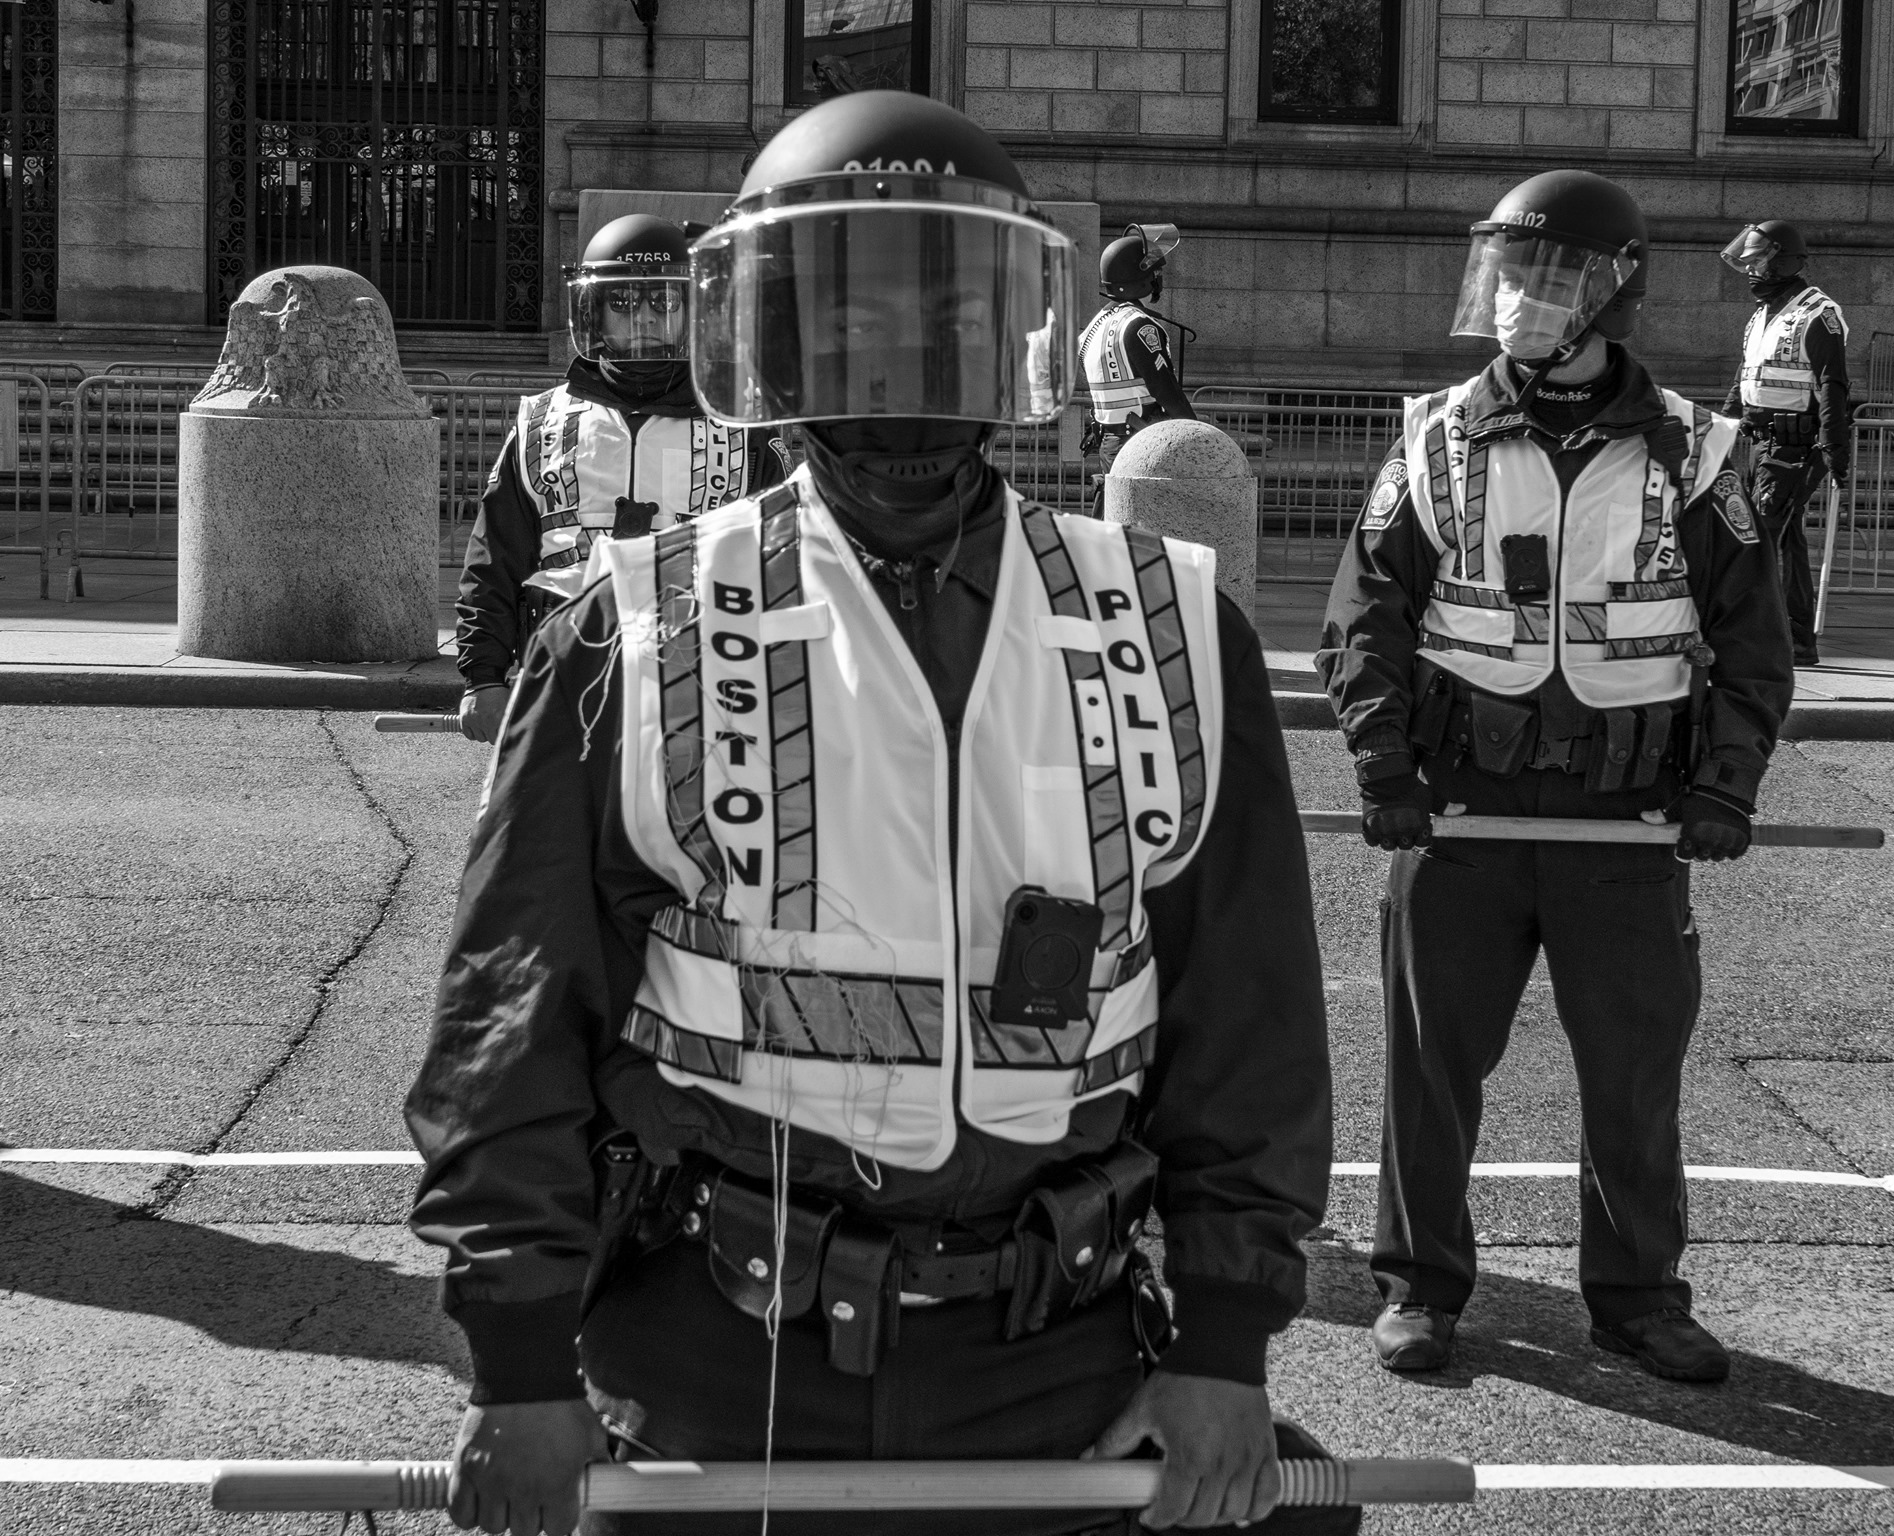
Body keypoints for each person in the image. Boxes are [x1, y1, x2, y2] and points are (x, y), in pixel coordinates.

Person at [407, 90, 1354, 1536]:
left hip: (1062, 1348)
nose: (898, 357)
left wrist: (1228, 1344)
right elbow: (512, 1014)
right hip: (717, 1344)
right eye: (846, 310)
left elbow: (1251, 1020)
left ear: (1009, 334)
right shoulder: (634, 624)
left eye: (941, 311)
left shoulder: (1170, 624)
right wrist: (518, 1366)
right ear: (771, 336)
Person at [1316, 170, 1793, 1387]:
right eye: (1508, 274)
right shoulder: (1429, 435)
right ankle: (1419, 1287)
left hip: (1625, 819)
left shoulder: (1700, 450)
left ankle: (1635, 1299)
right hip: (1459, 807)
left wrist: (1723, 790)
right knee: (1427, 1067)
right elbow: (1363, 617)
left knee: (1631, 1072)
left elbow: (1752, 641)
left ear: (1612, 290)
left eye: (1549, 277)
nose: (1519, 300)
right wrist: (1381, 766)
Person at [453, 214, 787, 742]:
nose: (644, 320)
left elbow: (786, 565)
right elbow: (493, 557)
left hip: (703, 690)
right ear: (593, 311)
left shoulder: (743, 426)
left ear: (693, 311)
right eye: (624, 303)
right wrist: (482, 678)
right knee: (543, 825)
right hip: (561, 681)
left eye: (664, 302)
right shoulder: (542, 423)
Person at [1719, 220, 1851, 667]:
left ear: (1783, 261)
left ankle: (1753, 635)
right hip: (1764, 440)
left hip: (1796, 445)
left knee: (1757, 535)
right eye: (1750, 260)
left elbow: (1833, 384)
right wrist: (1724, 424)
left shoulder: (1818, 313)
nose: (1751, 268)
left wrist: (1836, 450)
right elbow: (1747, 373)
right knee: (1786, 537)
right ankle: (1797, 638)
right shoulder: (1763, 314)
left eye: (1759, 259)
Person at [1077, 226, 1197, 514]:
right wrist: (1198, 435)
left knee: (1114, 521)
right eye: (1154, 273)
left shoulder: (1095, 326)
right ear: (1141, 281)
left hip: (1110, 441)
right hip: (1141, 441)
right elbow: (1167, 392)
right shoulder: (1139, 326)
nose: (1158, 279)